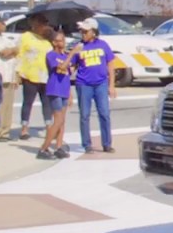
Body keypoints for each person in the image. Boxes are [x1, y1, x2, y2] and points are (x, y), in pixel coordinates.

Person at [73, 18, 116, 153]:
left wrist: (112, 85)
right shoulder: (79, 46)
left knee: (104, 113)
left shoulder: (103, 45)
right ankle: (87, 144)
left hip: (101, 83)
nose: (83, 34)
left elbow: (110, 64)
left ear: (94, 32)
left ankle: (107, 143)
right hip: (84, 84)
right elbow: (72, 66)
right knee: (84, 115)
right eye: (82, 31)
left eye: (86, 31)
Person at [16, 14, 53, 140]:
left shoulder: (47, 39)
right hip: (29, 74)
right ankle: (24, 128)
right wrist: (17, 73)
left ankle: (49, 127)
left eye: (45, 23)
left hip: (45, 75)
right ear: (34, 24)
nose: (43, 26)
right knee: (28, 102)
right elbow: (19, 54)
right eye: (41, 23)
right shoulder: (26, 37)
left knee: (47, 103)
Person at [38, 32, 73, 160]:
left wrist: (70, 93)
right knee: (57, 120)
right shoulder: (51, 55)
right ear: (53, 42)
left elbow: (67, 75)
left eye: (63, 40)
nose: (61, 43)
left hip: (64, 90)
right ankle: (44, 148)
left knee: (62, 121)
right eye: (58, 41)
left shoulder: (64, 55)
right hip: (54, 89)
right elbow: (61, 68)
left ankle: (58, 147)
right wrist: (72, 53)